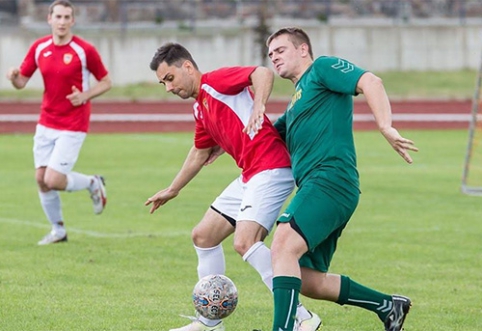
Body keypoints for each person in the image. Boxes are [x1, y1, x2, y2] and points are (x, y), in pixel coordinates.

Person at [247, 27, 419, 331]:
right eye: (270, 53)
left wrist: (386, 126)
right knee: (305, 278)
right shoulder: (296, 103)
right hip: (324, 187)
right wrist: (219, 142)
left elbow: (371, 81)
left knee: (282, 245)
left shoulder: (322, 68)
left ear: (302, 50)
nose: (274, 57)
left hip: (329, 180)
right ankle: (387, 306)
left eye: (281, 50)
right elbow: (265, 138)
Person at [145, 43, 322, 331]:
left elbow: (262, 73)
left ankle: (301, 315)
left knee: (245, 242)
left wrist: (259, 105)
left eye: (170, 78)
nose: (167, 88)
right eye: (162, 83)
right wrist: (173, 188)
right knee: (203, 236)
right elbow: (200, 152)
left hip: (271, 168)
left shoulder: (215, 82)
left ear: (187, 67)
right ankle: (210, 323)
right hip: (251, 173)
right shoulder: (200, 107)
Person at [6, 0, 111, 245]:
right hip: (46, 122)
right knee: (41, 179)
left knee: (53, 179)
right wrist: (13, 78)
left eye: (67, 17)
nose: (62, 22)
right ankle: (58, 230)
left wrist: (85, 96)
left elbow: (106, 81)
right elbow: (21, 82)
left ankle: (92, 183)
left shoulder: (84, 50)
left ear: (73, 21)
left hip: (73, 123)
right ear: (49, 19)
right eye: (58, 17)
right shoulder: (39, 47)